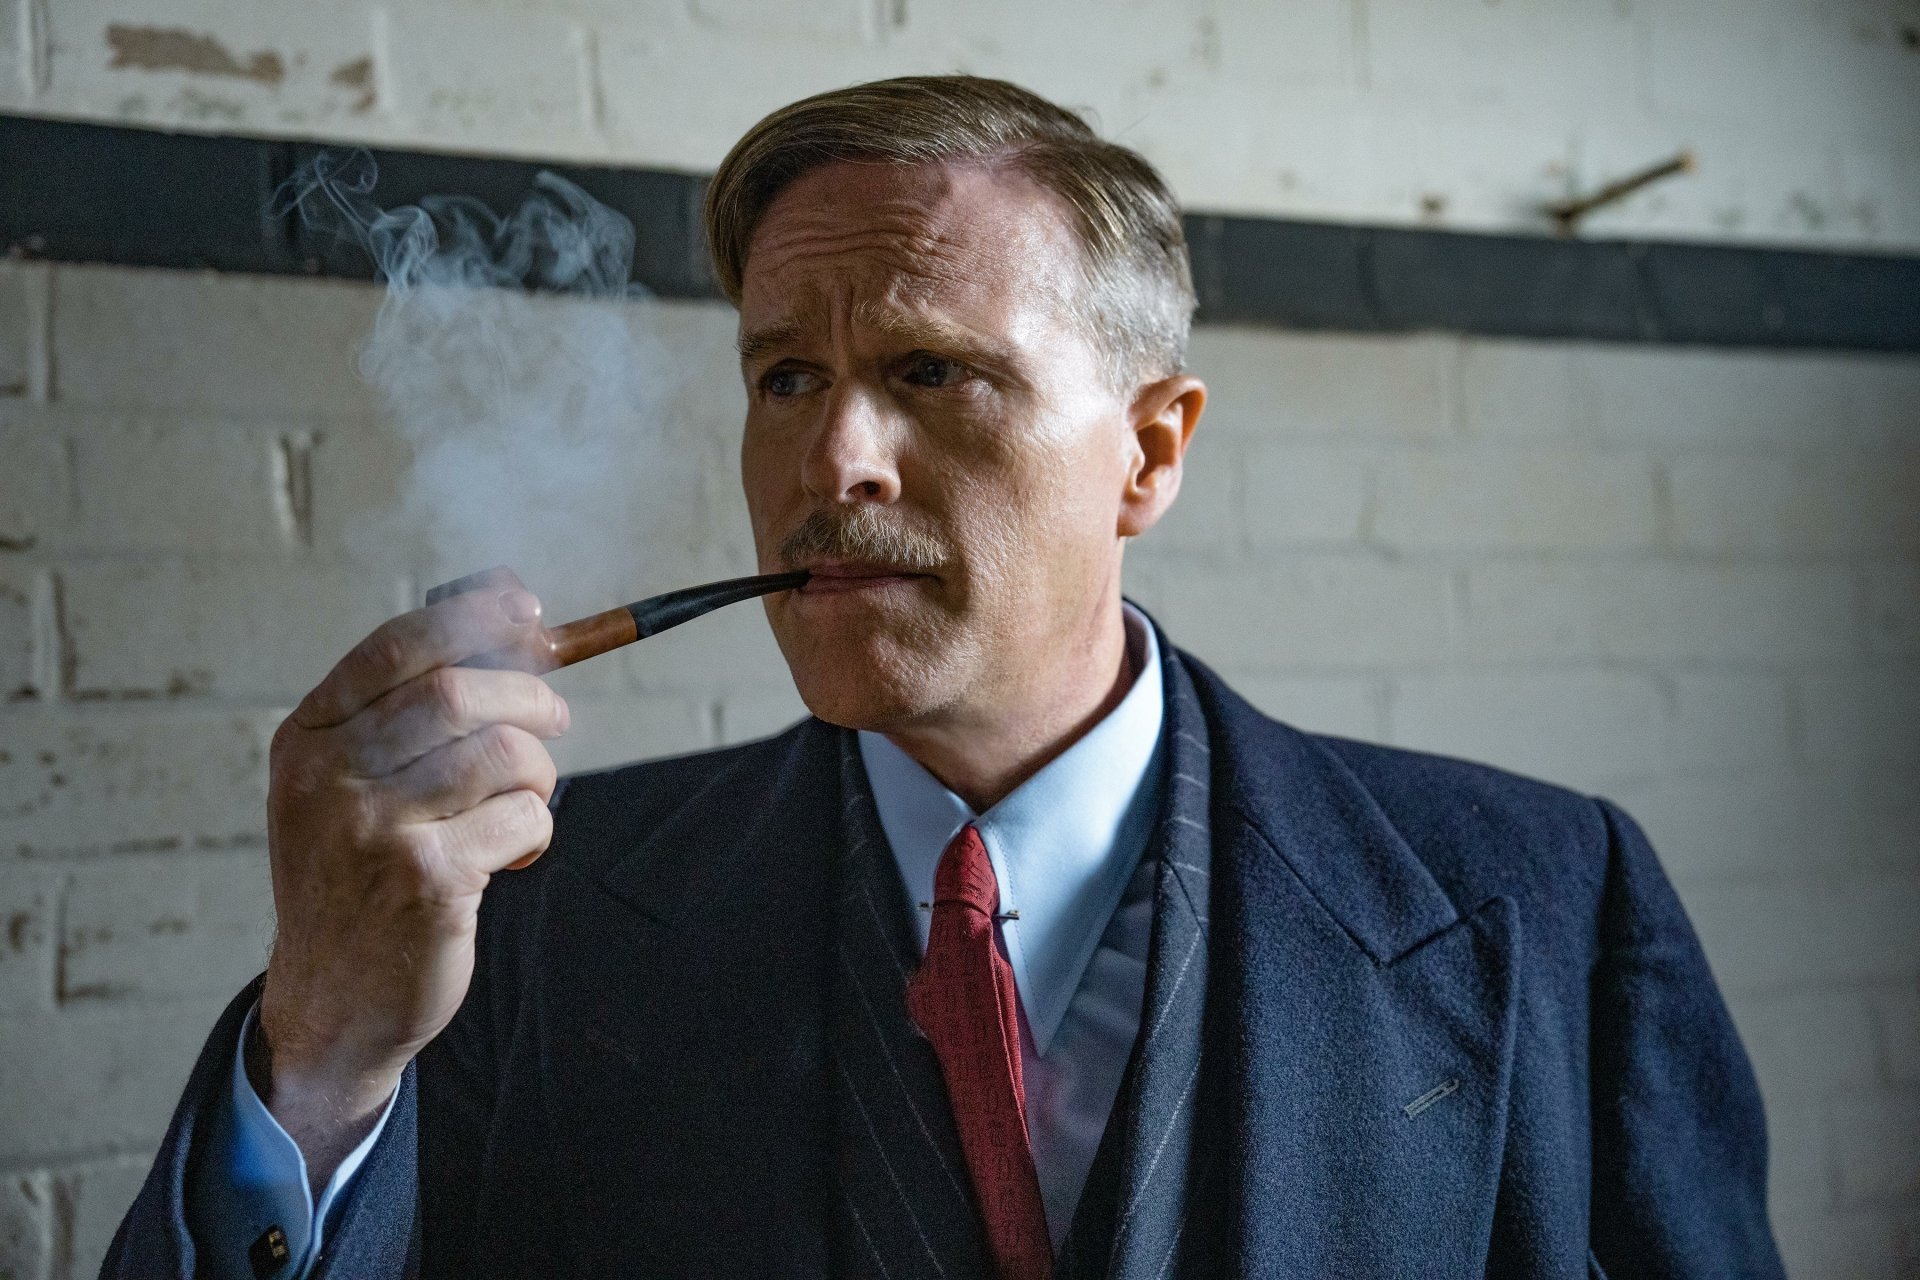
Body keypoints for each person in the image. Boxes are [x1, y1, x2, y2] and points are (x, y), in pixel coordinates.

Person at [104, 76, 1783, 1279]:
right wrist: (320, 1056)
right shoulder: (526, 919)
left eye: (929, 371)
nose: (835, 457)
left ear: (1148, 452)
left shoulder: (1544, 904)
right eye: (784, 376)